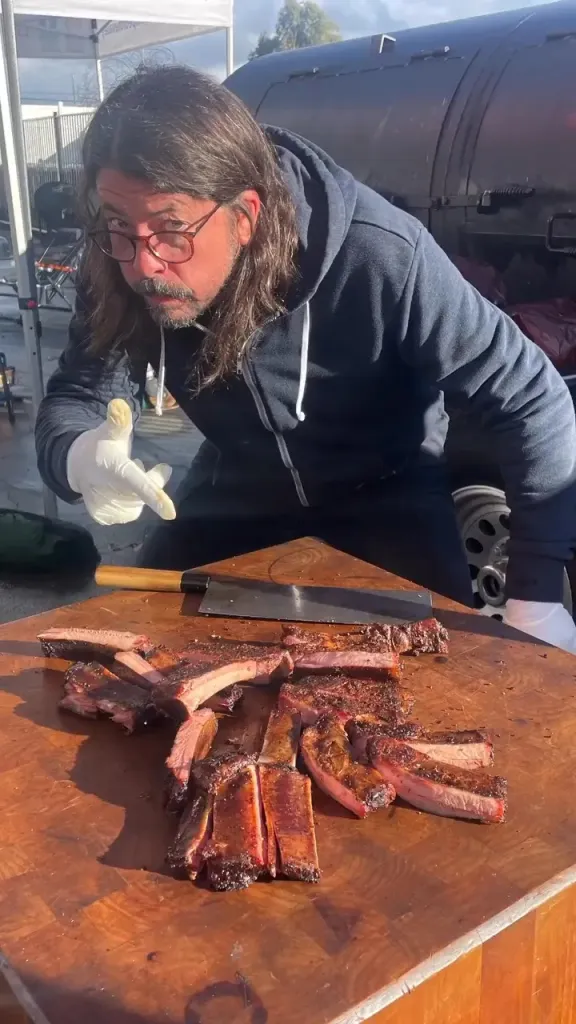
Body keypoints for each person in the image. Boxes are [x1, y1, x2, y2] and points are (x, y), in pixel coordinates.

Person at [35, 65, 576, 653]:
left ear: (245, 215)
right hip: (234, 486)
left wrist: (538, 594)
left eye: (171, 229)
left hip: (388, 492)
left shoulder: (380, 254)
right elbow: (74, 395)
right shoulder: (121, 260)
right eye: (119, 226)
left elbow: (530, 397)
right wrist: (76, 455)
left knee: (435, 670)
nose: (144, 265)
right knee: (140, 659)